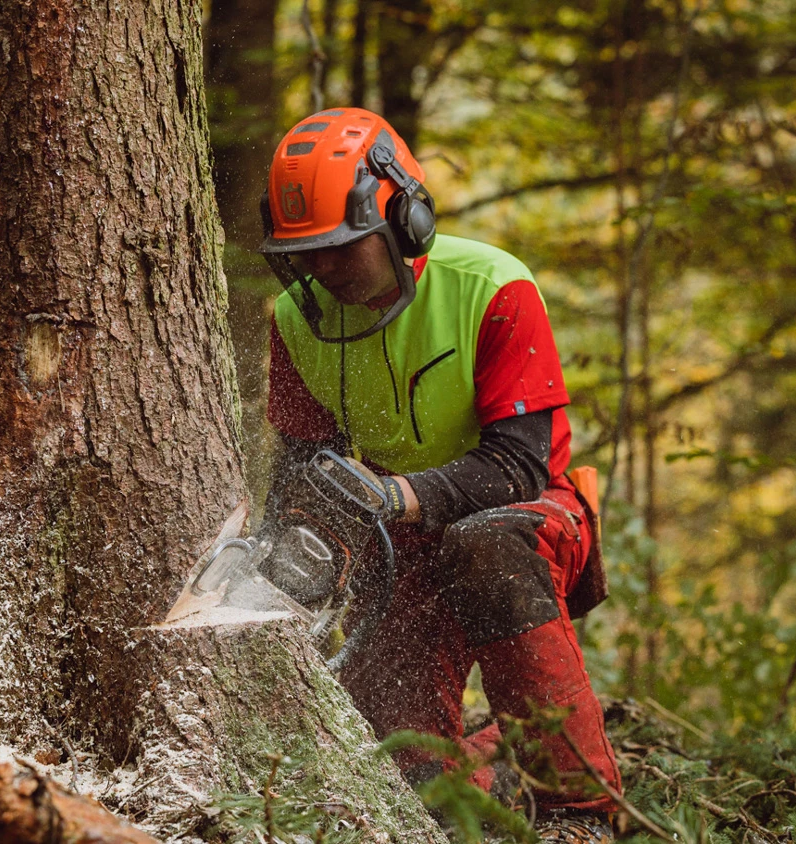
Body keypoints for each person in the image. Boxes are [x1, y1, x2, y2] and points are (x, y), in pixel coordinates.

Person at [256, 107, 621, 841]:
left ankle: (580, 811)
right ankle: (500, 768)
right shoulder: (296, 319)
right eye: (306, 253)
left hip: (528, 515)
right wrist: (288, 550)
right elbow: (300, 466)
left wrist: (396, 494)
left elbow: (519, 463)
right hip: (404, 540)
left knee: (483, 540)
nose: (321, 269)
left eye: (339, 248)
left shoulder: (491, 286)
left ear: (404, 220)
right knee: (399, 764)